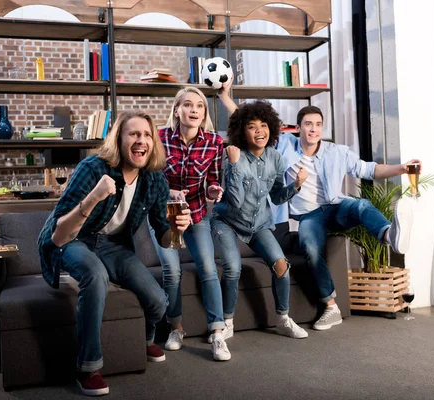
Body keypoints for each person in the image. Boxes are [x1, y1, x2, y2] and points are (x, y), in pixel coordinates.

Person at [218, 82, 418, 332]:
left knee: (362, 205)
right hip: (309, 216)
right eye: (308, 124)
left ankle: (389, 235)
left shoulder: (337, 152)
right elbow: (249, 123)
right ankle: (331, 307)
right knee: (310, 247)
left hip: (336, 207)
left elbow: (370, 169)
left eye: (318, 125)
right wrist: (225, 97)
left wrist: (402, 168)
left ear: (322, 128)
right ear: (299, 127)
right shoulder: (282, 147)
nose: (313, 129)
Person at [38, 110, 191, 396]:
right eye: (133, 134)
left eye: (146, 135)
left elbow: (164, 236)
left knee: (158, 300)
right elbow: (59, 234)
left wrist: (177, 228)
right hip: (74, 239)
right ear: (118, 139)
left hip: (112, 246)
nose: (141, 140)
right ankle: (88, 367)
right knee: (95, 276)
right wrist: (94, 197)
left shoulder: (154, 180)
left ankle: (144, 340)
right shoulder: (93, 168)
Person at [210, 99, 310, 342]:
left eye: (263, 125)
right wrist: (234, 166)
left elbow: (276, 197)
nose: (259, 131)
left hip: (259, 223)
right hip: (227, 221)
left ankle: (283, 319)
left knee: (281, 265)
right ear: (242, 131)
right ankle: (227, 322)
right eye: (252, 126)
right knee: (233, 268)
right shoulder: (232, 157)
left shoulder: (275, 158)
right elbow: (234, 201)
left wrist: (295, 185)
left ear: (271, 128)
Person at [152, 87, 231, 361]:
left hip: (197, 213)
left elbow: (213, 180)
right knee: (171, 272)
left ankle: (218, 333)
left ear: (204, 113)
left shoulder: (214, 142)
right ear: (177, 110)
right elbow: (149, 179)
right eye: (187, 105)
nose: (194, 110)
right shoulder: (159, 138)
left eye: (199, 106)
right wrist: (167, 193)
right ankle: (176, 328)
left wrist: (212, 191)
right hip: (167, 215)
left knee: (209, 269)